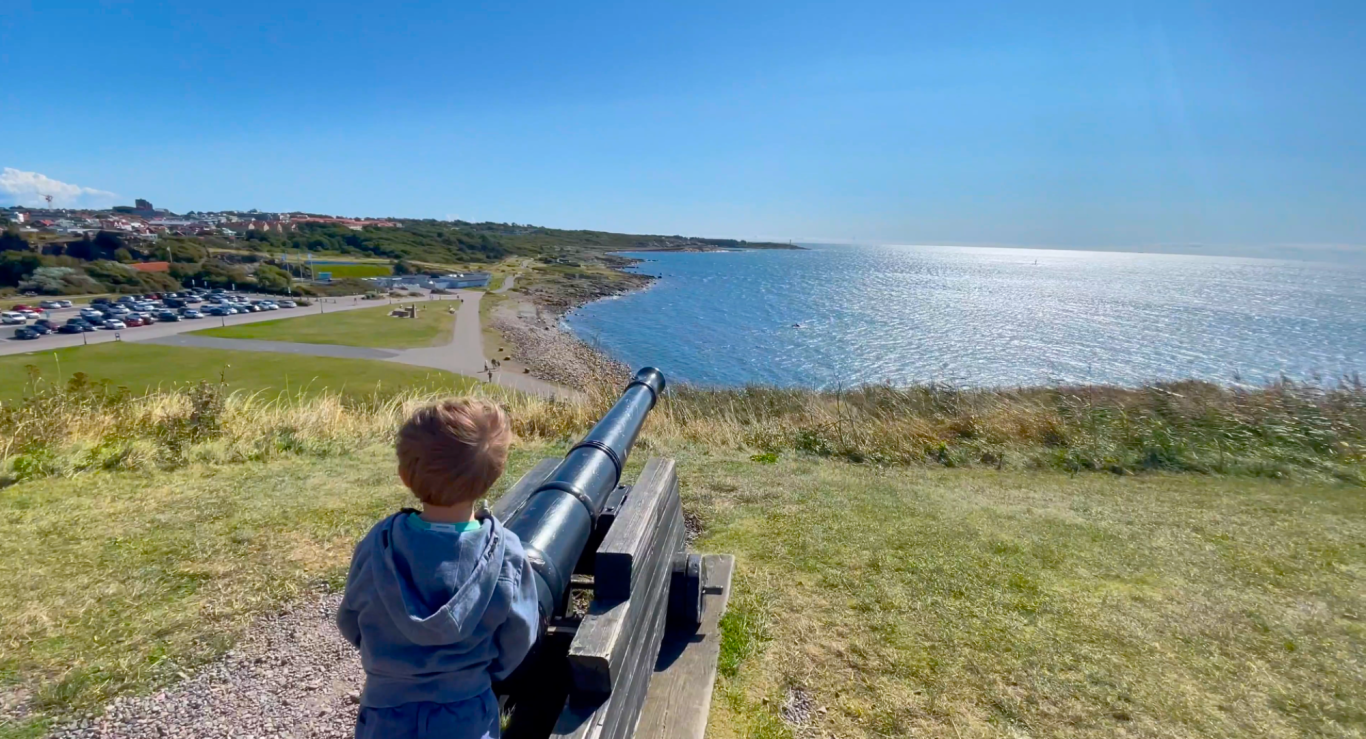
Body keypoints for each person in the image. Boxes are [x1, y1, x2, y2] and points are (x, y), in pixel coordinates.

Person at [337, 398, 539, 739]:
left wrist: (386, 659)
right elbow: (520, 634)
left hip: (386, 708)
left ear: (404, 475)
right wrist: (492, 671)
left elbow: (351, 619)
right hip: (467, 711)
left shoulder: (379, 544)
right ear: (494, 476)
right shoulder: (506, 554)